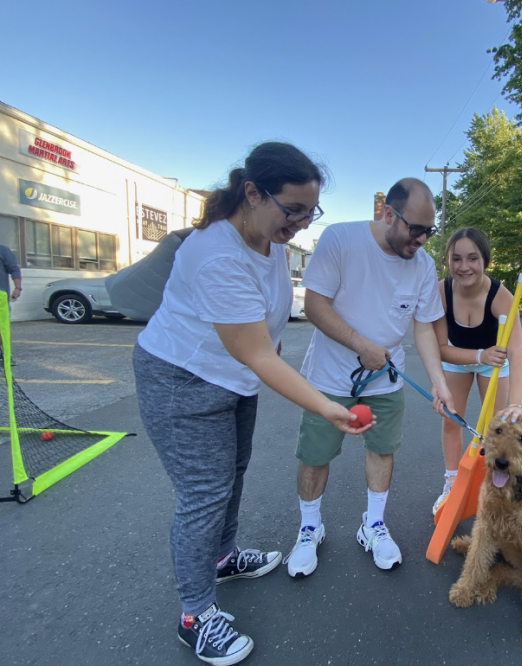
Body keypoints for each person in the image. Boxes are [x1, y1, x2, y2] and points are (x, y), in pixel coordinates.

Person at [133, 142, 370, 666]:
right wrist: (329, 406)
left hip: (231, 379)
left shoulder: (271, 238)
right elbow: (259, 355)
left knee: (231, 476)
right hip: (182, 379)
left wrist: (274, 353)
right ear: (252, 192)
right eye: (293, 210)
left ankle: (222, 558)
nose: (302, 224)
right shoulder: (216, 254)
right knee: (203, 495)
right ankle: (195, 615)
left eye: (311, 212)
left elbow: (268, 327)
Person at [286, 177, 454, 577]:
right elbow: (314, 304)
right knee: (315, 455)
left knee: (382, 450)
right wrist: (361, 344)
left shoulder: (423, 266)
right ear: (389, 214)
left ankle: (372, 525)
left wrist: (439, 382)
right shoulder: (341, 240)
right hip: (328, 377)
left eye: (429, 231)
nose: (422, 241)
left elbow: (425, 327)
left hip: (386, 380)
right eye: (416, 230)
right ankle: (310, 528)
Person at [431, 227, 522, 514]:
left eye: (472, 258)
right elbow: (439, 347)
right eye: (456, 259)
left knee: (496, 430)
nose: (464, 267)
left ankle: (494, 488)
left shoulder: (502, 297)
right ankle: (451, 484)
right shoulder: (441, 291)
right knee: (451, 421)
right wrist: (478, 355)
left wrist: (518, 405)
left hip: (495, 364)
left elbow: (518, 354)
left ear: (485, 260)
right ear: (447, 261)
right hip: (457, 358)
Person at [0, 243, 21, 366]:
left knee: (3, 327)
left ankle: (6, 355)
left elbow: (14, 269)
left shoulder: (2, 250)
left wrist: (18, 288)